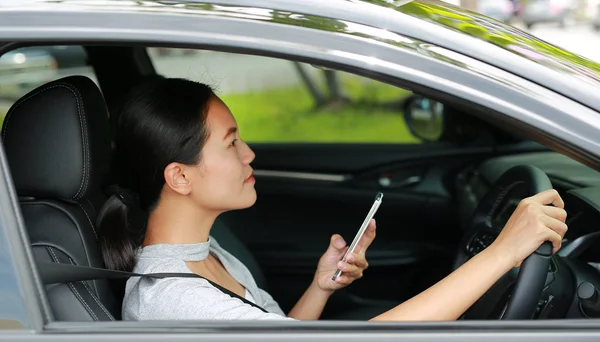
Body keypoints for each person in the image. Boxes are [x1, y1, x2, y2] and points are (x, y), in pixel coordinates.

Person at [97, 77, 568, 322]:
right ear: (179, 176)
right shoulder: (176, 299)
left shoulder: (202, 254)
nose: (250, 153)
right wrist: (503, 251)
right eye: (231, 142)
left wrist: (321, 286)